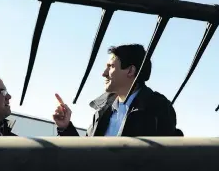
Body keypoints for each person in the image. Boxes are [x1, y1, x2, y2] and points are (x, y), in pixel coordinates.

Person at [53, 44, 183, 137]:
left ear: (131, 71)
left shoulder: (157, 108)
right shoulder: (102, 111)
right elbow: (87, 157)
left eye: (111, 66)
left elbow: (165, 160)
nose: (104, 73)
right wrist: (65, 127)